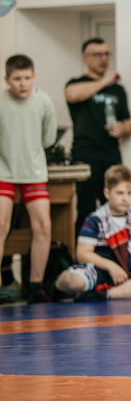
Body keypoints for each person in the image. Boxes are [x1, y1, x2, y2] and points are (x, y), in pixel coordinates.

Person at [55, 165, 131, 301]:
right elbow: (82, 254)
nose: (125, 198)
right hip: (98, 271)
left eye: (129, 193)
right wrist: (111, 266)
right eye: (120, 193)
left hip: (126, 275)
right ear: (107, 193)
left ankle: (103, 294)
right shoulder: (95, 219)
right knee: (72, 281)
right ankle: (56, 286)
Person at [0, 55, 57, 303]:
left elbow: (48, 138)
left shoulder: (44, 102)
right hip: (4, 170)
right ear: (7, 80)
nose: (22, 83)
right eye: (17, 79)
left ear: (34, 77)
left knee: (43, 225)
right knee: (1, 225)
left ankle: (36, 285)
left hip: (33, 171)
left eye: (27, 78)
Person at [65, 37, 131, 236]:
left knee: (116, 207)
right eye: (97, 55)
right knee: (86, 208)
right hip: (85, 155)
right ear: (85, 58)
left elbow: (128, 123)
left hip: (111, 155)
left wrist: (123, 128)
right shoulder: (76, 83)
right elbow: (71, 95)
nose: (103, 59)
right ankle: (82, 250)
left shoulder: (117, 90)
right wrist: (104, 81)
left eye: (106, 54)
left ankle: (115, 248)